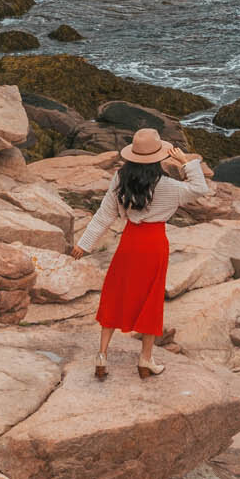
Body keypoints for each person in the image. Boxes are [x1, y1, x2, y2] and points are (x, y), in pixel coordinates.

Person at [72, 127, 208, 379]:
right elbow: (200, 188)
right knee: (151, 299)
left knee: (116, 292)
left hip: (129, 242)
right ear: (160, 158)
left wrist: (84, 244)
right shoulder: (170, 186)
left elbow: (104, 215)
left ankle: (101, 355)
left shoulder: (120, 180)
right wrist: (186, 162)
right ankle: (145, 360)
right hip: (154, 244)